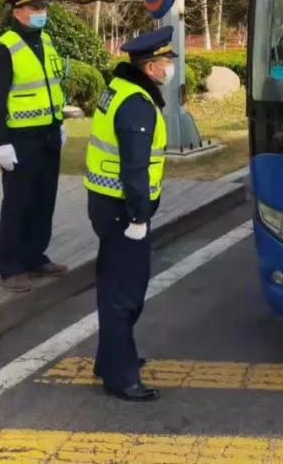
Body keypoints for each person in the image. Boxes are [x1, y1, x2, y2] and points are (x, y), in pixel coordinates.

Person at [84, 25, 176, 402]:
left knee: (112, 284)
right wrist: (139, 217)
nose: (171, 67)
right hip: (124, 211)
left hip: (106, 204)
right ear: (150, 67)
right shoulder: (137, 103)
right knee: (125, 293)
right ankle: (120, 377)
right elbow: (135, 167)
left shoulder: (118, 88)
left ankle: (110, 359)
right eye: (166, 62)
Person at [0, 0, 69, 293]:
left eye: (43, 8)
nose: (41, 13)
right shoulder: (3, 49)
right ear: (18, 12)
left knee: (44, 199)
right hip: (20, 140)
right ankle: (11, 266)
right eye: (35, 8)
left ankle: (35, 257)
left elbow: (53, 86)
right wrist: (1, 141)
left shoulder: (45, 41)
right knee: (18, 202)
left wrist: (59, 121)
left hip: (48, 134)